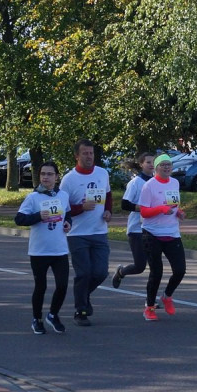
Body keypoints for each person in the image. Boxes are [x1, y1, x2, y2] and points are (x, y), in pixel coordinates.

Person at [15, 162, 72, 335]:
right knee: (41, 287)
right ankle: (37, 319)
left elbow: (67, 213)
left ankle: (53, 315)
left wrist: (69, 222)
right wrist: (38, 216)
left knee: (62, 286)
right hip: (39, 250)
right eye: (43, 174)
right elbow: (19, 219)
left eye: (49, 174)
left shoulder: (63, 195)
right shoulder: (33, 198)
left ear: (56, 176)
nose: (45, 177)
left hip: (59, 249)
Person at [60, 139, 112, 326]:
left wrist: (108, 211)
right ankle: (80, 311)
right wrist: (81, 207)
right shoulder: (69, 179)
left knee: (100, 272)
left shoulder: (102, 173)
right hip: (77, 233)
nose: (89, 156)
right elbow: (62, 209)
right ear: (77, 156)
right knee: (83, 273)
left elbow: (108, 195)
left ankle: (83, 296)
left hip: (99, 231)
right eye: (85, 153)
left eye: (91, 153)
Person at [137, 153, 186, 321]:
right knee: (156, 272)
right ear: (156, 168)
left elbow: (173, 205)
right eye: (162, 165)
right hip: (152, 233)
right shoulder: (149, 186)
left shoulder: (175, 182)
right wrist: (160, 209)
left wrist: (178, 212)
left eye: (169, 165)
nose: (166, 167)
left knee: (180, 270)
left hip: (172, 233)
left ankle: (166, 296)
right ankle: (149, 307)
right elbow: (144, 211)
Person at [112, 152, 154, 290]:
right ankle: (121, 272)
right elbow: (125, 204)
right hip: (136, 229)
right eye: (148, 162)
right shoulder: (135, 183)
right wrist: (143, 208)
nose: (151, 165)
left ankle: (150, 300)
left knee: (156, 266)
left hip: (154, 229)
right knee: (140, 266)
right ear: (141, 164)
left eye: (154, 162)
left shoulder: (156, 182)